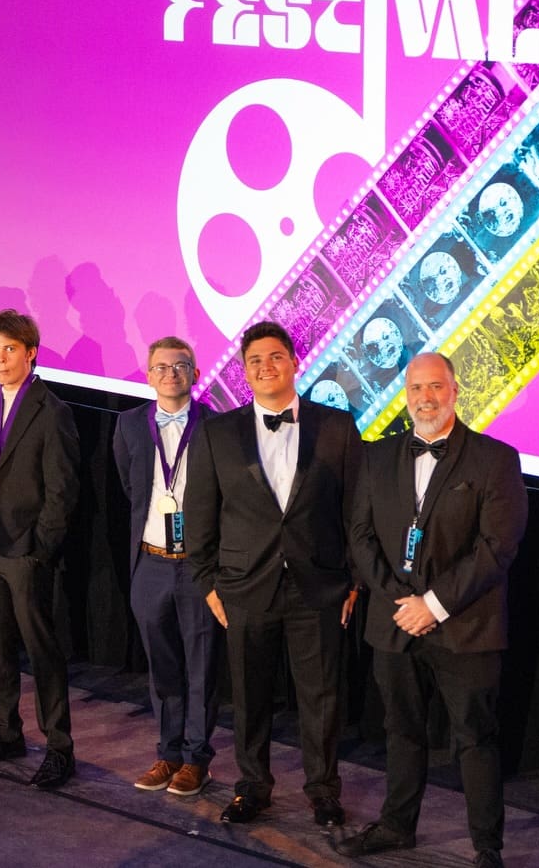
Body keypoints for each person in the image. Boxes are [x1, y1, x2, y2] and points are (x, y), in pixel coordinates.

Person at [339, 353, 528, 868]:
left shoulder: (494, 459)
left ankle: (487, 849)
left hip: (465, 626)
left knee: (475, 739)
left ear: (456, 390)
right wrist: (400, 601)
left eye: (436, 387)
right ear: (406, 393)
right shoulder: (377, 458)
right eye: (417, 387)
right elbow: (359, 535)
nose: (426, 397)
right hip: (396, 622)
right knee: (401, 731)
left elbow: (497, 548)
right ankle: (398, 826)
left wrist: (434, 605)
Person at [185, 320, 362, 828]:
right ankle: (252, 787)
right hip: (243, 587)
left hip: (319, 588)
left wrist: (354, 582)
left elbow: (355, 512)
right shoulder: (218, 432)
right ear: (244, 372)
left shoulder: (336, 427)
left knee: (322, 699)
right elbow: (201, 514)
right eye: (255, 361)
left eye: (275, 357)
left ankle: (324, 791)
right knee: (249, 697)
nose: (266, 367)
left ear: (294, 362)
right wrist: (207, 584)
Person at [0, 309, 79, 790]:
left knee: (41, 651)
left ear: (30, 354)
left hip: (25, 552)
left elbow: (62, 491)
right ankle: (6, 734)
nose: (0, 359)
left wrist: (39, 549)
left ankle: (59, 748)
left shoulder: (53, 411)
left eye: (9, 350)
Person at [112, 336, 221, 797]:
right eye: (161, 366)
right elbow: (128, 486)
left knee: (202, 666)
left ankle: (197, 759)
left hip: (197, 567)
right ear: (148, 373)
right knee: (163, 667)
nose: (171, 373)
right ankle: (168, 752)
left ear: (195, 375)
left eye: (181, 366)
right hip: (151, 563)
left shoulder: (218, 427)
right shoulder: (129, 424)